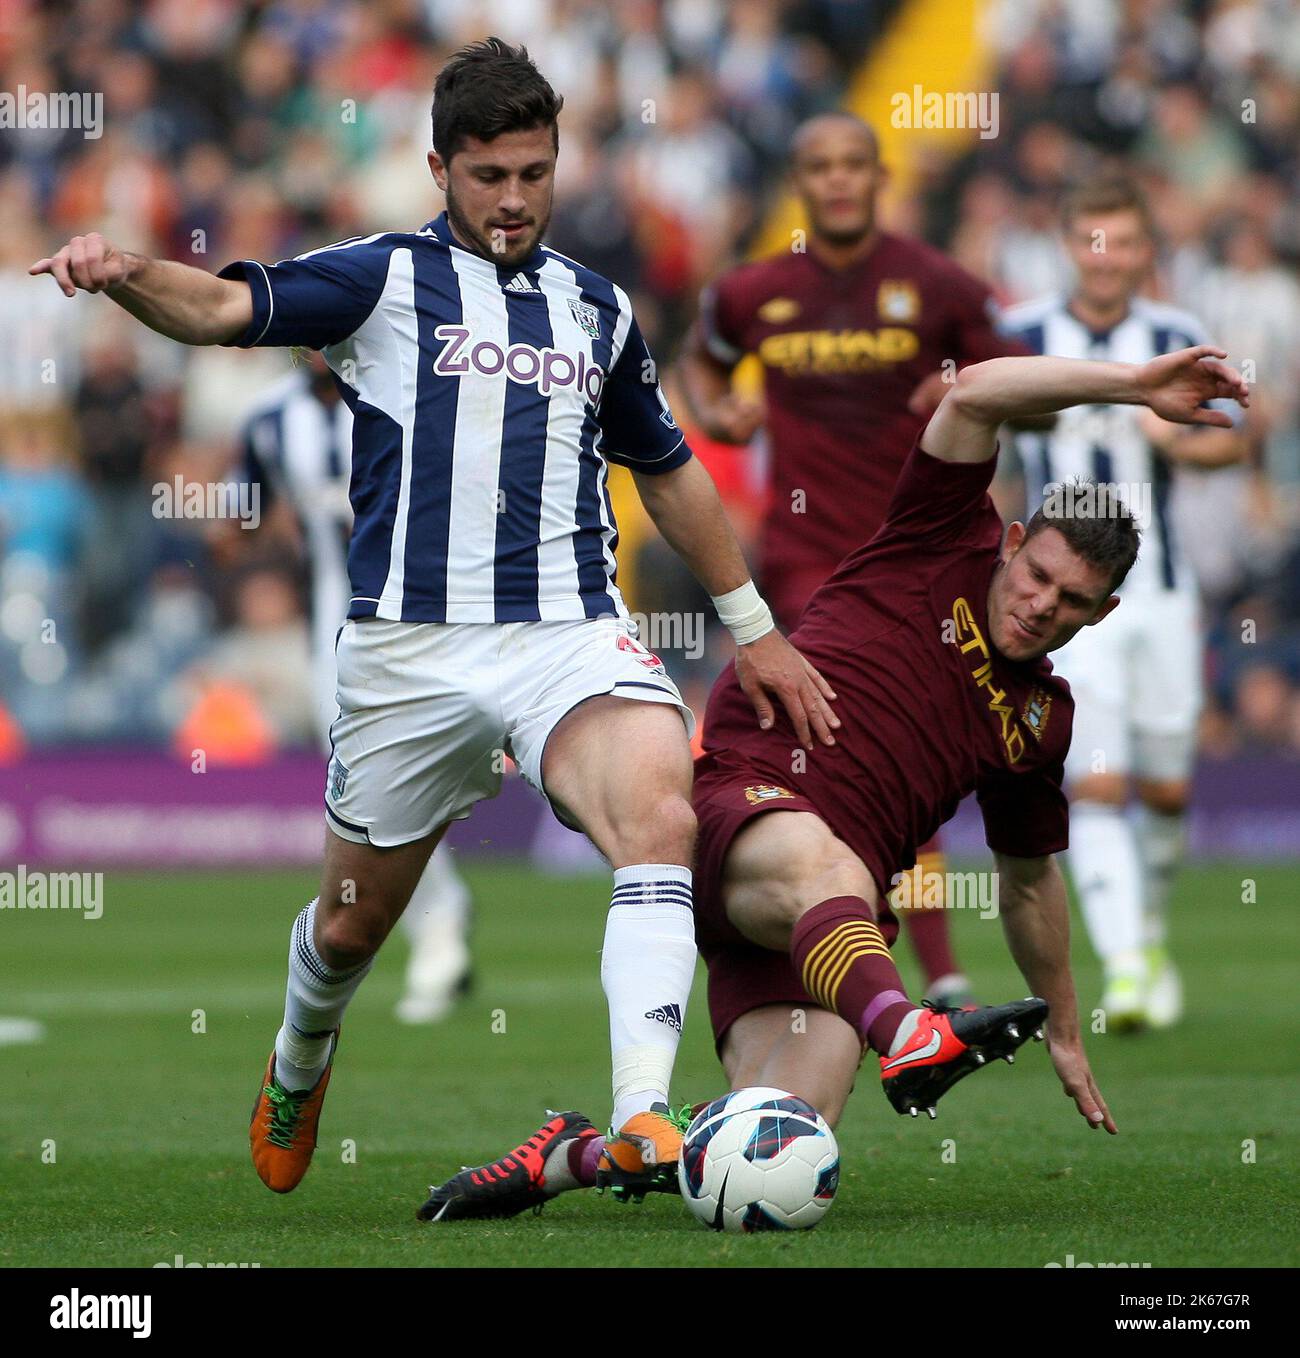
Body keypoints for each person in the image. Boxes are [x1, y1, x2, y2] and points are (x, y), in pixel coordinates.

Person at [31, 37, 840, 1202]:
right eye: (488, 175)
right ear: (438, 169)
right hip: (408, 654)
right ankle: (300, 1058)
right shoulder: (379, 277)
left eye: (533, 172)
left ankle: (640, 1118)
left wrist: (752, 623)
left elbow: (668, 470)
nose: (513, 198)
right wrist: (121, 270)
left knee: (659, 811)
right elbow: (217, 307)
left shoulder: (598, 310)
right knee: (352, 929)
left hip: (565, 630)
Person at [419, 343, 1248, 1222]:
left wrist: (1069, 1030)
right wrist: (1134, 384)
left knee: (773, 1142)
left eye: (1073, 601)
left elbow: (1031, 880)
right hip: (740, 813)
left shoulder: (1044, 720)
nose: (1042, 603)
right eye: (1038, 574)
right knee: (833, 871)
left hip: (827, 929)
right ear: (1011, 543)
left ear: (1103, 612)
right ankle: (908, 1032)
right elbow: (976, 396)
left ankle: (577, 1155)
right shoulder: (941, 532)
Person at [678, 112, 1026, 1008]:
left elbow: (1028, 378)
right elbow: (701, 363)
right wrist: (716, 412)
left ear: (879, 176)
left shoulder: (935, 283)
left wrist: (957, 386)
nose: (837, 181)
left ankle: (931, 969)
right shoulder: (754, 290)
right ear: (800, 181)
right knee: (830, 754)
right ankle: (881, 962)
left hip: (918, 563)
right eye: (819, 166)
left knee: (911, 757)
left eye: (853, 165)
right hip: (804, 571)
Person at [998, 179, 1247, 1030]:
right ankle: (1130, 969)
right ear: (1070, 244)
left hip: (1162, 593)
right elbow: (985, 437)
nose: (1109, 259)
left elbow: (1233, 442)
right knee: (1096, 782)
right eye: (1094, 241)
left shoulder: (1175, 338)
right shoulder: (1024, 334)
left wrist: (1180, 438)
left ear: (1146, 252)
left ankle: (1146, 930)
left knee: (1168, 791)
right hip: (1071, 603)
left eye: (1126, 243)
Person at [237, 353, 474, 1024]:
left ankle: (440, 926)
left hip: (424, 615)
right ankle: (440, 923)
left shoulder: (409, 389)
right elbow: (242, 511)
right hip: (331, 630)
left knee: (414, 776)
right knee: (367, 786)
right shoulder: (270, 419)